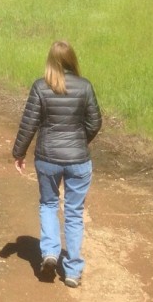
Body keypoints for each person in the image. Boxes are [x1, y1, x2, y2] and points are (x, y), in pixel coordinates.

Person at [12, 40, 102, 288]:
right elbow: (95, 122)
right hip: (78, 160)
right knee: (74, 212)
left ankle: (50, 252)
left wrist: (18, 153)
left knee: (49, 204)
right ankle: (72, 270)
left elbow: (28, 123)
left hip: (47, 159)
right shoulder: (85, 87)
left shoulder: (40, 87)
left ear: (50, 61)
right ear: (72, 59)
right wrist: (81, 142)